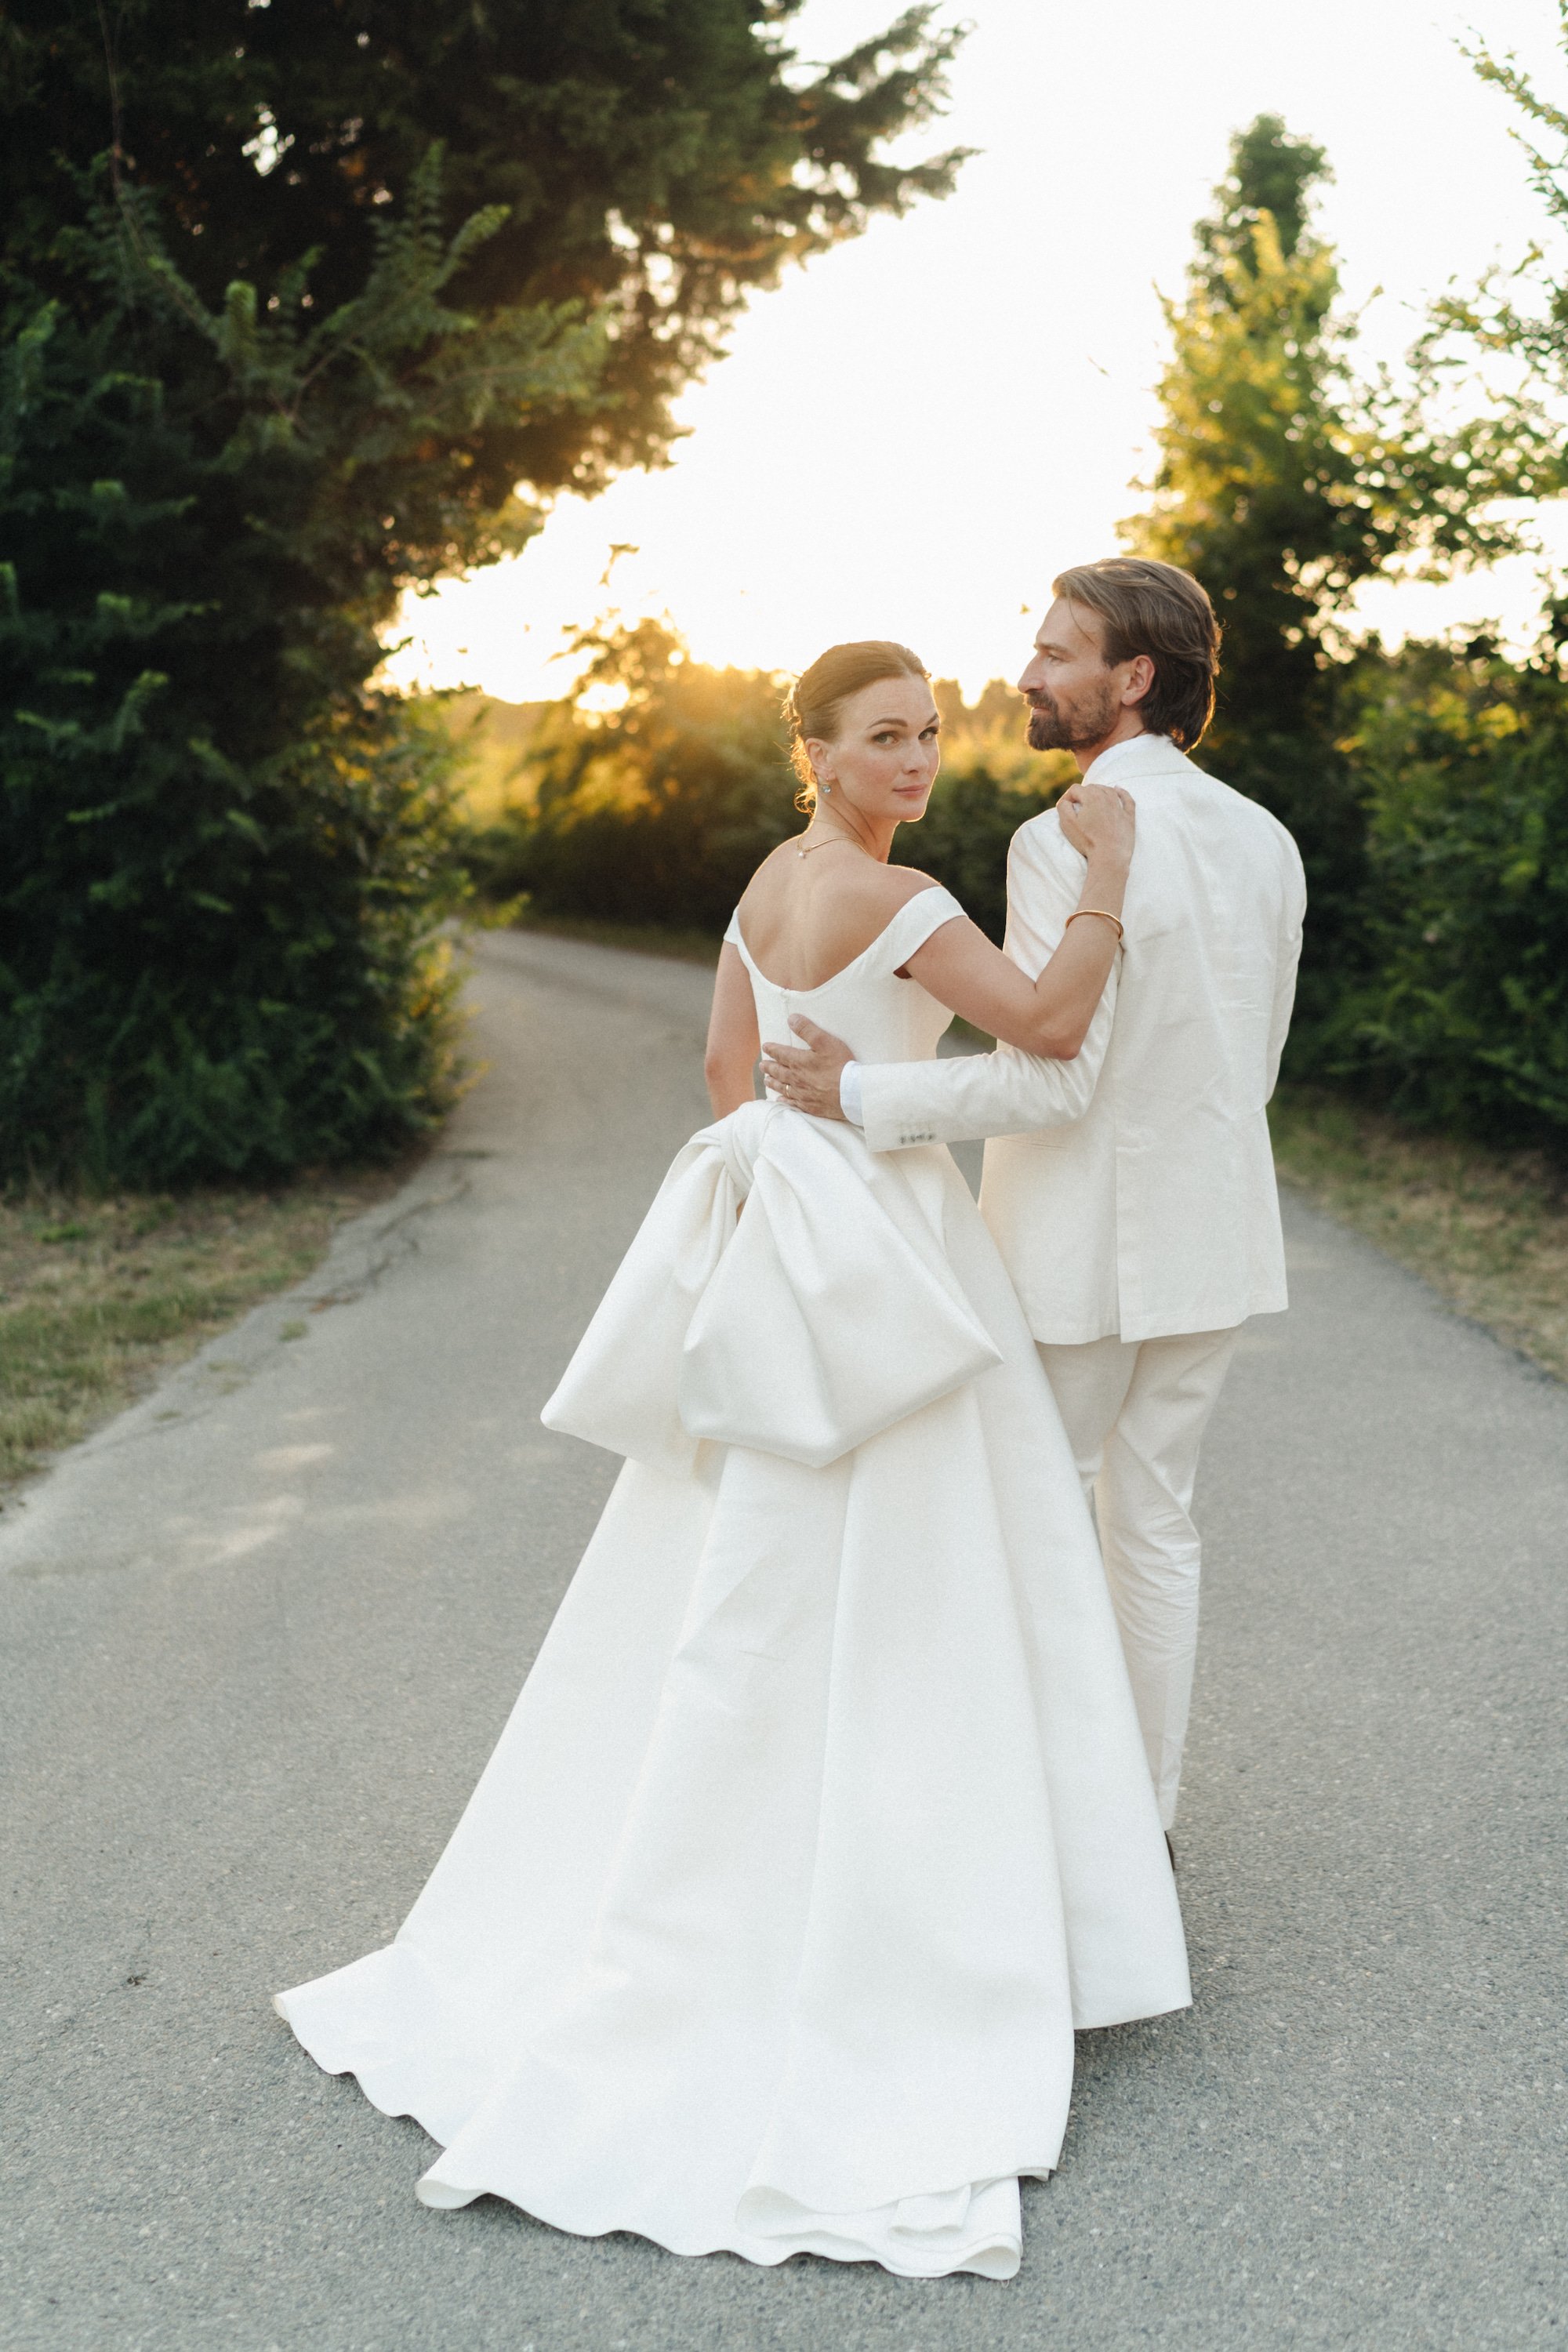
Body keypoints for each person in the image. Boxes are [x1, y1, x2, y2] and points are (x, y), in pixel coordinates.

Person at [274, 637, 1192, 2283]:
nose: (917, 763)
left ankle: (728, 1881)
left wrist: (810, 1146)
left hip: (787, 1228)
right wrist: (1106, 884)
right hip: (894, 1244)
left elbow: (722, 1078)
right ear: (819, 754)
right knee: (924, 1582)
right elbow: (1051, 1024)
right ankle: (906, 1921)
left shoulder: (772, 878)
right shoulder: (893, 901)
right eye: (885, 741)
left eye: (929, 734)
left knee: (738, 1581)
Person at [763, 561, 1308, 1841]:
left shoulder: (1061, 835)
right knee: (1157, 1522)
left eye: (1058, 654)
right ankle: (1143, 1824)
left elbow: (1050, 1084)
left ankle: (1046, 1839)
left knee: (1039, 1527)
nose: (1024, 677)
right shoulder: (1263, 838)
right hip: (1215, 1234)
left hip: (1080, 1250)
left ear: (1132, 680)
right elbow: (1258, 1065)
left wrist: (865, 1095)